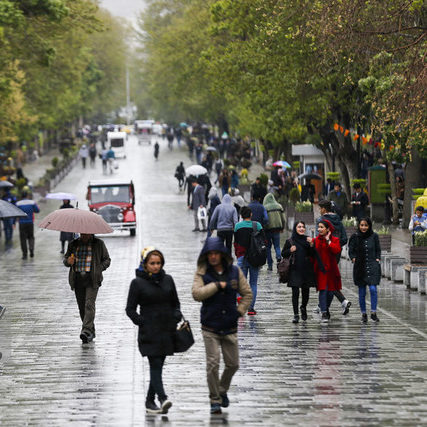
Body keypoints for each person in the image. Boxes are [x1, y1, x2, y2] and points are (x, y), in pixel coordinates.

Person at [192, 237, 252, 414]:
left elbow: (247, 293)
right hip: (210, 325)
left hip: (230, 325)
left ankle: (222, 390)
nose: (213, 257)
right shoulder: (202, 273)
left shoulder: (234, 271)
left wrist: (240, 312)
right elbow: (197, 294)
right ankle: (214, 399)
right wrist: (216, 286)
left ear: (222, 254)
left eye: (216, 253)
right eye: (209, 254)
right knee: (213, 363)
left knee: (233, 364)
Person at [126, 247, 181, 414]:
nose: (156, 266)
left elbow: (175, 303)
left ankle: (150, 401)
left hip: (166, 331)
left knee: (158, 366)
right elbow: (130, 309)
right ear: (145, 264)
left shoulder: (168, 280)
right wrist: (142, 322)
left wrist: (176, 315)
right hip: (149, 332)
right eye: (152, 263)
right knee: (155, 364)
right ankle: (163, 398)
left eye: (158, 263)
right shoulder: (137, 283)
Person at [63, 233, 111, 343]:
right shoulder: (73, 244)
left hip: (92, 279)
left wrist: (99, 269)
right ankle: (91, 331)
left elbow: (107, 260)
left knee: (89, 304)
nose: (84, 235)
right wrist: (68, 261)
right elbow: (66, 259)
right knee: (82, 307)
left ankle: (85, 330)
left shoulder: (98, 243)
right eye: (82, 233)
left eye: (86, 233)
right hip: (78, 279)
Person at [316, 200, 351, 315]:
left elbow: (319, 239)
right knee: (329, 278)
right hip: (336, 254)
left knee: (326, 280)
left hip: (324, 254)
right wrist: (335, 246)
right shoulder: (339, 221)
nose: (319, 211)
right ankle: (322, 306)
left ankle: (339, 302)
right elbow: (345, 239)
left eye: (320, 208)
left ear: (324, 209)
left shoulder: (321, 220)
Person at [281, 222, 319, 323]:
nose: (301, 229)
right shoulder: (290, 241)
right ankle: (296, 314)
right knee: (295, 292)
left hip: (306, 269)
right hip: (294, 269)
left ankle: (303, 307)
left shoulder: (308, 240)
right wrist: (290, 250)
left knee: (306, 292)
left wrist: (311, 245)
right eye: (299, 227)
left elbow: (313, 254)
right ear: (295, 228)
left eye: (303, 227)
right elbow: (283, 253)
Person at [348, 217, 381, 323]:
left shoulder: (374, 236)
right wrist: (353, 258)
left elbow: (378, 249)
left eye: (366, 225)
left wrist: (377, 258)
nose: (364, 227)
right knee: (362, 291)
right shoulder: (355, 237)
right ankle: (363, 313)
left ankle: (373, 312)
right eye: (362, 225)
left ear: (369, 226)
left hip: (372, 265)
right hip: (360, 266)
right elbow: (351, 250)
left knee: (373, 289)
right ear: (359, 225)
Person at [233, 206, 264, 315]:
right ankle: (251, 309)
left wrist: (238, 255)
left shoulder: (237, 226)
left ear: (241, 215)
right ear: (250, 215)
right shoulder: (258, 225)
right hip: (254, 258)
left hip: (242, 257)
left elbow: (236, 243)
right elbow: (263, 242)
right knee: (253, 283)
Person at [313, 219, 342, 323]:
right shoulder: (315, 240)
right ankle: (324, 312)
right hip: (320, 270)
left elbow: (337, 250)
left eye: (322, 227)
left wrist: (328, 240)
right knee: (323, 290)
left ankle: (325, 307)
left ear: (328, 229)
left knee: (330, 292)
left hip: (331, 270)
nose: (319, 229)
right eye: (319, 227)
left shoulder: (334, 240)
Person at [263, 193, 285, 271]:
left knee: (268, 247)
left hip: (268, 230)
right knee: (277, 246)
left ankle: (270, 265)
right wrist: (283, 227)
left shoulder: (265, 207)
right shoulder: (279, 206)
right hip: (277, 229)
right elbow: (283, 218)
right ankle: (279, 258)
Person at [16, 191, 40, 259]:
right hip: (30, 223)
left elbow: (16, 212)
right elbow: (37, 210)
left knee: (23, 239)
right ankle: (31, 249)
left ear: (21, 196)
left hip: (22, 223)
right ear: (27, 196)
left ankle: (24, 254)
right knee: (31, 237)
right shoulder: (32, 202)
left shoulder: (18, 203)